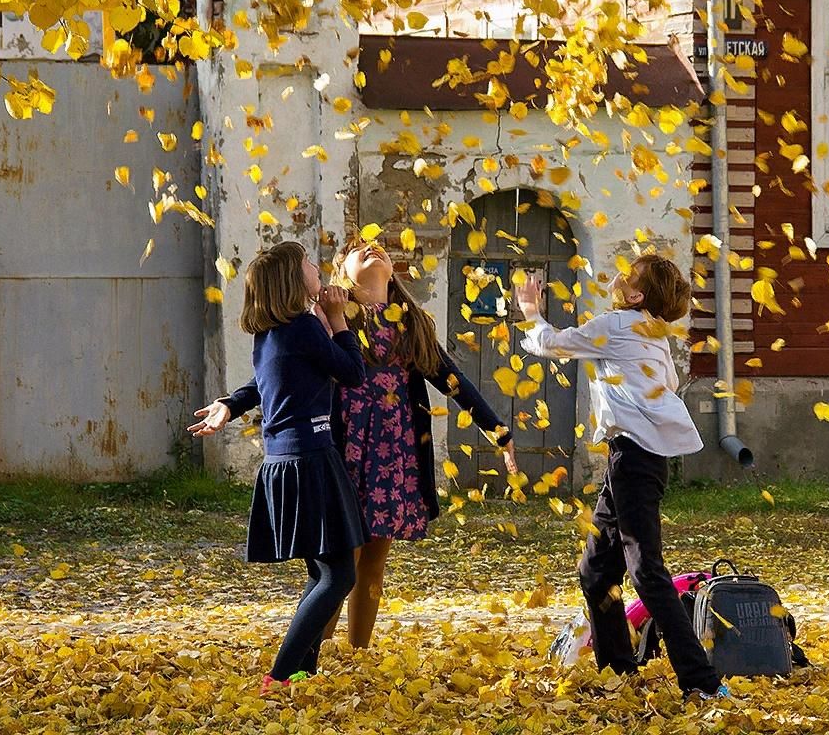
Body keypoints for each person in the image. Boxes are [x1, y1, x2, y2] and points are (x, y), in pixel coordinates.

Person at [514, 253, 730, 701]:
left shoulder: (616, 324)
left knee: (645, 571)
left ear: (636, 295)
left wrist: (531, 312)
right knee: (596, 570)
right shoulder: (656, 334)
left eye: (626, 277)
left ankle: (702, 682)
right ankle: (618, 671)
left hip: (633, 457)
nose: (616, 278)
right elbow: (667, 385)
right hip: (637, 459)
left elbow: (553, 344)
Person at [188, 241, 367, 692]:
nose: (316, 267)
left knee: (321, 572)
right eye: (308, 262)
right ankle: (281, 675)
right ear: (293, 279)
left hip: (292, 461)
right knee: (340, 574)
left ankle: (303, 670)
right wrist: (340, 321)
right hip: (308, 461)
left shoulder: (273, 333)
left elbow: (260, 383)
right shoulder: (304, 328)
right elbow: (353, 373)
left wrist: (230, 404)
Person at [323, 237, 517, 648]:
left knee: (374, 559)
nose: (372, 250)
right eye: (360, 250)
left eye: (378, 248)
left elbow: (451, 380)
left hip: (394, 449)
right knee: (342, 560)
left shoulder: (410, 323)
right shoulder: (330, 315)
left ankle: (358, 652)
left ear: (392, 270)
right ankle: (312, 653)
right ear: (342, 272)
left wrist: (497, 429)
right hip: (345, 446)